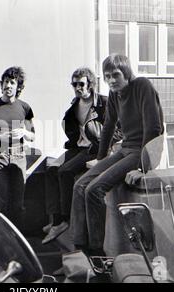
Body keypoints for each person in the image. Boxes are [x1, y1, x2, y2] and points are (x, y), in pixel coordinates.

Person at [71, 54, 164, 257]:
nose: (111, 80)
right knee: (80, 185)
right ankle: (80, 249)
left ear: (126, 73)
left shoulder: (142, 86)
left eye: (115, 75)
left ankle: (97, 254)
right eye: (107, 76)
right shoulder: (114, 94)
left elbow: (154, 128)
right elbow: (108, 126)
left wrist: (142, 167)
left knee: (94, 189)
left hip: (141, 151)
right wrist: (101, 156)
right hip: (124, 149)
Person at [42, 67, 120, 245]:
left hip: (95, 149)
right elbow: (70, 128)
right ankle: (55, 221)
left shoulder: (104, 103)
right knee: (52, 169)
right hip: (78, 147)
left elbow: (120, 130)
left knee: (65, 171)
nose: (78, 88)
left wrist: (104, 140)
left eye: (81, 84)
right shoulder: (74, 106)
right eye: (75, 84)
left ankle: (65, 220)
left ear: (90, 84)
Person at [0, 66, 35, 228]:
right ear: (1, 84)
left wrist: (24, 132)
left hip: (19, 156)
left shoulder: (25, 108)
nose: (8, 85)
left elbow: (33, 136)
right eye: (5, 82)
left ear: (18, 86)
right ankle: (1, 242)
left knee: (18, 204)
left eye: (12, 82)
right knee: (0, 204)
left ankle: (18, 243)